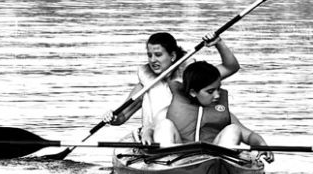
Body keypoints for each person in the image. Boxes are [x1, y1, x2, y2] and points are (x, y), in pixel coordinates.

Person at [102, 31, 239, 144]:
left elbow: (230, 67)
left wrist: (219, 43)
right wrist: (112, 117)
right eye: (149, 55)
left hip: (184, 140)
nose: (152, 60)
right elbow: (122, 116)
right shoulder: (146, 84)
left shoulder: (193, 78)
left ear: (173, 56)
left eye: (158, 55)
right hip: (154, 139)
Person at [154, 61, 274, 163]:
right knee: (165, 125)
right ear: (193, 92)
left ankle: (224, 165)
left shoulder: (225, 115)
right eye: (210, 91)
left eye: (218, 89)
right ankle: (164, 162)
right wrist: (145, 133)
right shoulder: (169, 111)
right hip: (177, 160)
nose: (217, 95)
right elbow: (151, 129)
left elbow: (249, 136)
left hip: (213, 161)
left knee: (233, 129)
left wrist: (261, 144)